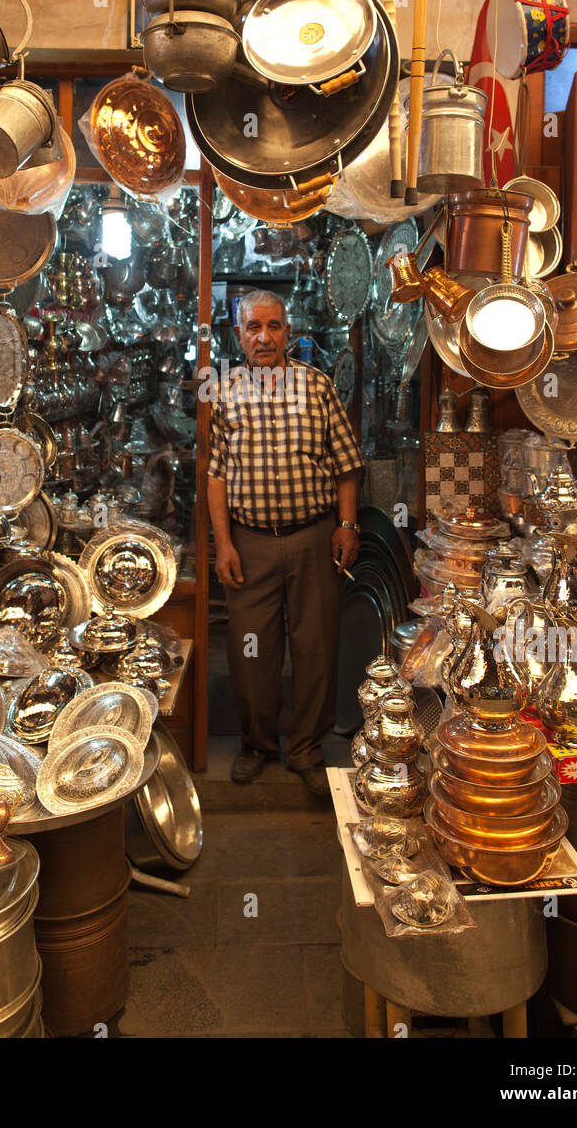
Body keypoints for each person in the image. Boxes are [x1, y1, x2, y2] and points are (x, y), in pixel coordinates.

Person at [207, 288, 364, 796]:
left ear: (288, 333)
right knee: (252, 649)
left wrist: (347, 524)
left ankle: (306, 748)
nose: (264, 337)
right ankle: (257, 744)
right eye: (253, 327)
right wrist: (223, 545)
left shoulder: (317, 387)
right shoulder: (223, 392)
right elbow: (216, 478)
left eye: (274, 326)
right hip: (249, 544)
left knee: (315, 645)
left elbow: (345, 464)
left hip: (312, 539)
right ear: (238, 335)